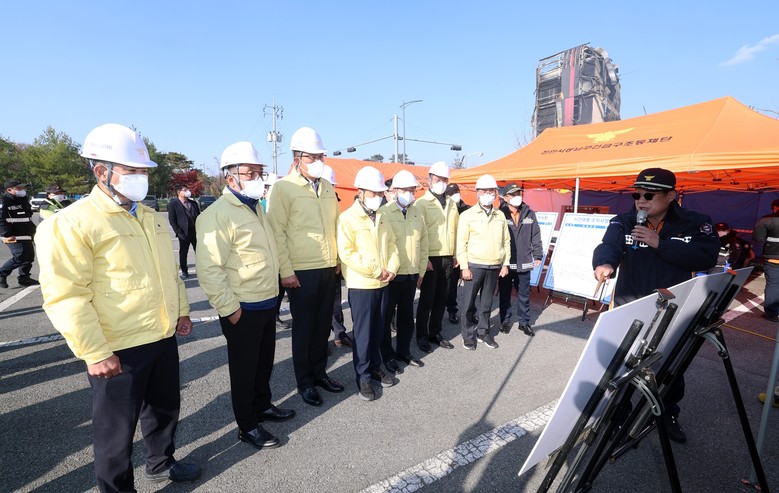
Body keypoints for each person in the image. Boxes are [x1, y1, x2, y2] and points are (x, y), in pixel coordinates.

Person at [35, 123, 201, 492]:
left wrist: (182, 310)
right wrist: (94, 351)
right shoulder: (72, 223)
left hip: (160, 335)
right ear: (101, 171)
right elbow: (66, 294)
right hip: (117, 347)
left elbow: (169, 274)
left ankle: (161, 463)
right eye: (132, 170)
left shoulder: (149, 217)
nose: (141, 178)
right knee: (115, 431)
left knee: (164, 409)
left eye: (144, 171)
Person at [592, 167, 719, 444]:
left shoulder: (695, 222)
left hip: (672, 310)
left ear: (671, 196)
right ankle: (620, 413)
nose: (641, 200)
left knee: (669, 366)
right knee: (624, 364)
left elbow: (706, 257)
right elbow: (609, 246)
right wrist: (604, 263)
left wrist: (660, 243)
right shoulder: (623, 221)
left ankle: (667, 413)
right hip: (631, 305)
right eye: (637, 194)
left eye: (649, 195)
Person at [196, 141, 294, 451]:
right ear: (230, 177)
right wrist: (230, 309)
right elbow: (209, 269)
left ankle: (262, 405)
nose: (256, 178)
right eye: (249, 173)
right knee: (244, 370)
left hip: (266, 301)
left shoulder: (256, 208)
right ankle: (247, 426)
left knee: (264, 363)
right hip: (243, 308)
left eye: (259, 173)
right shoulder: (217, 214)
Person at [267, 127, 344, 407]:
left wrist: (337, 259)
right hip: (300, 270)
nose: (318, 161)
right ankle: (305, 381)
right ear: (297, 158)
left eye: (320, 156)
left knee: (322, 326)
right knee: (304, 329)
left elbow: (335, 225)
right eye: (312, 156)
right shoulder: (284, 188)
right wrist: (285, 270)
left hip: (327, 266)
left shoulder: (327, 187)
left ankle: (320, 372)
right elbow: (277, 232)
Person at [337, 166, 400, 400]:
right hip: (362, 285)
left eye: (380, 193)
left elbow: (392, 245)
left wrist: (392, 268)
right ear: (361, 192)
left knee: (378, 330)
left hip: (383, 283)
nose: (378, 197)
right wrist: (376, 270)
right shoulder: (347, 218)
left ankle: (375, 367)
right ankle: (363, 377)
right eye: (373, 193)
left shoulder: (382, 216)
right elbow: (347, 253)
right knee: (363, 335)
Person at [380, 170, 429, 373]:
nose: (409, 194)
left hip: (411, 273)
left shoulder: (417, 213)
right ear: (394, 190)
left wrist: (421, 271)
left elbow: (424, 244)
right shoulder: (384, 213)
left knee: (407, 317)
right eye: (405, 190)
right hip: (392, 275)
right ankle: (387, 355)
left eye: (412, 190)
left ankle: (404, 351)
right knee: (385, 317)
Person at [456, 175, 510, 350]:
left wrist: (505, 264)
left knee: (486, 304)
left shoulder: (500, 215)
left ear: (495, 193)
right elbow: (461, 243)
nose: (488, 194)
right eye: (484, 191)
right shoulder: (467, 215)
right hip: (474, 265)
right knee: (468, 304)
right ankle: (467, 335)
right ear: (478, 193)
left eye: (491, 191)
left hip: (494, 266)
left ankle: (483, 332)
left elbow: (506, 241)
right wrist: (464, 267)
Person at [415, 161, 459, 353]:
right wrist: (423, 259)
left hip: (448, 257)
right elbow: (418, 235)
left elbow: (456, 230)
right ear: (430, 180)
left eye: (444, 180)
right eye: (437, 179)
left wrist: (456, 254)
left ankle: (435, 332)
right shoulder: (421, 203)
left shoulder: (451, 204)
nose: (441, 183)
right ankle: (421, 335)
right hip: (431, 258)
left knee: (442, 298)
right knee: (427, 300)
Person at [498, 184, 543, 336]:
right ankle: (505, 320)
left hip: (524, 260)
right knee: (505, 293)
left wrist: (538, 255)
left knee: (524, 294)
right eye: (513, 194)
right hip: (506, 262)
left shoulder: (529, 213)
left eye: (519, 193)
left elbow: (535, 235)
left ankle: (524, 322)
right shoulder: (500, 214)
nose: (517, 196)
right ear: (506, 198)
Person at [322, 164, 352, 349]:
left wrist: (339, 260)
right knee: (319, 307)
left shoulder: (333, 201)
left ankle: (339, 334)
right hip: (315, 262)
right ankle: (321, 341)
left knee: (335, 303)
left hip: (333, 260)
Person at [0, 179, 38, 289]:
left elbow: (27, 216)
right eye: (19, 188)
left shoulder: (23, 199)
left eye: (22, 188)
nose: (22, 190)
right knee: (19, 256)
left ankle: (24, 278)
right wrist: (6, 234)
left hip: (26, 233)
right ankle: (2, 274)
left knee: (29, 256)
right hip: (12, 234)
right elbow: (1, 220)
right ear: (9, 190)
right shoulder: (4, 201)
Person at [445, 183, 470, 324]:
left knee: (461, 285)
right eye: (451, 192)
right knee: (447, 285)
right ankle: (445, 309)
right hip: (448, 252)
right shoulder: (445, 210)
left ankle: (455, 310)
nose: (455, 194)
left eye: (456, 191)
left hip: (464, 253)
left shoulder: (468, 210)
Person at [753, 199, 779, 323]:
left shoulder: (767, 220)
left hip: (773, 259)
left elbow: (757, 238)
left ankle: (772, 314)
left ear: (775, 207)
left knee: (773, 286)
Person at [167, 184, 200, 278]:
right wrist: (178, 232)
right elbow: (172, 220)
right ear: (179, 192)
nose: (187, 191)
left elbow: (199, 216)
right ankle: (184, 270)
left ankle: (201, 269)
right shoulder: (173, 204)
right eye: (184, 190)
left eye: (187, 189)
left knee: (199, 251)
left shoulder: (193, 203)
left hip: (195, 231)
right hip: (183, 232)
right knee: (183, 252)